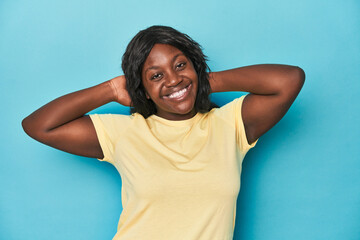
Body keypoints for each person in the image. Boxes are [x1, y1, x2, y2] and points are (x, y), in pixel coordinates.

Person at [22, 25, 305, 240]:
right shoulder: (123, 132)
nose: (172, 79)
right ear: (141, 89)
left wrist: (199, 81)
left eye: (180, 65)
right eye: (156, 76)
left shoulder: (229, 124)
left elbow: (289, 79)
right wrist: (109, 90)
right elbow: (38, 125)